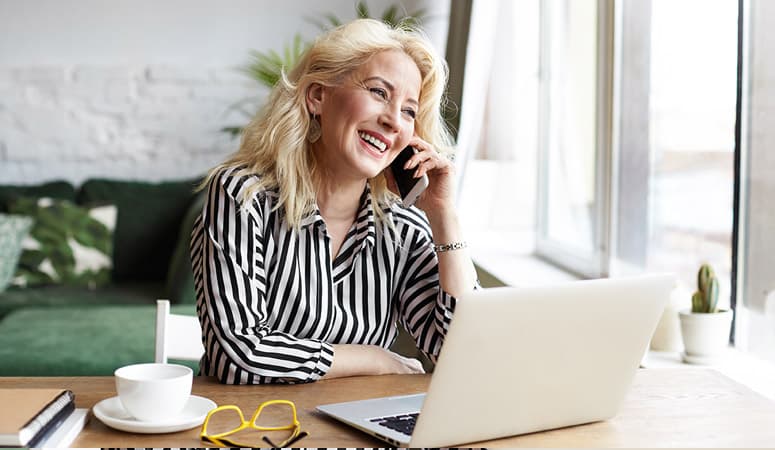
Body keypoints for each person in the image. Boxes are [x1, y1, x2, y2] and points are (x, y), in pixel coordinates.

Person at [191, 18, 478, 384]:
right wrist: (372, 358)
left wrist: (444, 215)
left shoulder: (403, 228)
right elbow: (238, 355)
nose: (394, 120)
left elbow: (462, 352)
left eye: (409, 110)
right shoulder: (242, 196)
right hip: (248, 426)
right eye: (379, 92)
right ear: (318, 97)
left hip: (360, 430)